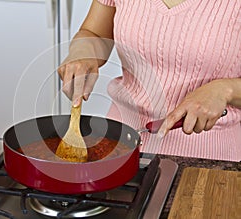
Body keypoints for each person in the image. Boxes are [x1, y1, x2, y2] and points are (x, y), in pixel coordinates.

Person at [58, 0, 241, 161]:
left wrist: (225, 90)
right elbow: (94, 33)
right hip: (118, 143)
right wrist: (82, 54)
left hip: (208, 159)